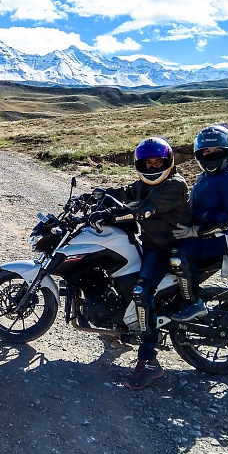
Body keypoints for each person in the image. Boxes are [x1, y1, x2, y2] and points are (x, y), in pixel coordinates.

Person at [87, 137, 192, 390]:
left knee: (141, 292)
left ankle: (149, 361)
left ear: (168, 162)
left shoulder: (175, 185)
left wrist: (108, 214)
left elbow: (142, 210)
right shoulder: (146, 184)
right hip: (153, 245)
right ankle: (121, 325)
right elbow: (126, 193)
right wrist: (97, 196)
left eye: (158, 161)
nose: (153, 166)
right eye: (148, 162)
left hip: (169, 249)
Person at [170, 124, 228, 321]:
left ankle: (192, 303)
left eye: (217, 150)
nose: (211, 154)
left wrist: (196, 230)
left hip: (224, 237)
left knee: (178, 255)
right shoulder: (206, 176)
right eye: (206, 150)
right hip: (209, 233)